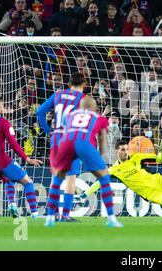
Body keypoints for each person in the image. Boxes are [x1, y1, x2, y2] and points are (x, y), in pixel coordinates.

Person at [45, 96, 122, 228]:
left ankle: (50, 218)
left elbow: (62, 131)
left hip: (65, 144)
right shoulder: (100, 118)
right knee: (104, 178)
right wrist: (100, 160)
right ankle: (111, 219)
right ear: (94, 108)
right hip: (84, 143)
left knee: (57, 181)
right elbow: (102, 140)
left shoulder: (69, 116)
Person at [36, 72, 86, 222]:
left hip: (56, 139)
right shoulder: (83, 99)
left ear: (69, 83)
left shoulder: (58, 95)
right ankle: (65, 215)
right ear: (83, 85)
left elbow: (39, 112)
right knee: (70, 178)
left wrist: (47, 130)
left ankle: (53, 213)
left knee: (56, 176)